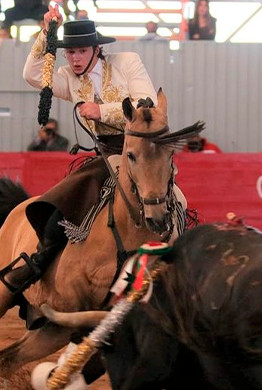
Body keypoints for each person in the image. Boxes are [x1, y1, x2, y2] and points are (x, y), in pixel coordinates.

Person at [9, 10, 159, 295]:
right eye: (70, 52)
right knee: (65, 196)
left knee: (171, 197)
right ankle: (42, 260)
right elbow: (31, 75)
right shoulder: (67, 77)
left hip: (140, 146)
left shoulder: (127, 62)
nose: (75, 58)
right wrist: (46, 34)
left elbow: (146, 103)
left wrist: (101, 110)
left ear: (97, 50)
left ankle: (177, 246)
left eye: (81, 51)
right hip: (104, 153)